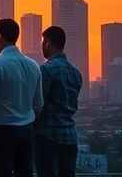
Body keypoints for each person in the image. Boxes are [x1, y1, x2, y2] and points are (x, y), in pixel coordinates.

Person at [0, 19, 43, 177]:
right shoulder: (33, 65)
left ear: (0, 37)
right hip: (26, 131)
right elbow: (38, 105)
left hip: (0, 132)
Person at [33, 26, 83, 177]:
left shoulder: (46, 70)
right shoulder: (76, 72)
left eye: (42, 42)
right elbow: (72, 106)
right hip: (70, 136)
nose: (42, 46)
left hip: (48, 137)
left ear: (47, 43)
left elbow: (38, 104)